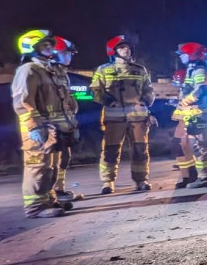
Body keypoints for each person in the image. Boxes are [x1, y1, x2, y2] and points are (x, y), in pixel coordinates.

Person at [11, 30, 73, 218]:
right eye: (43, 44)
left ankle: (48, 200)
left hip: (51, 128)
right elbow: (23, 102)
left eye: (49, 44)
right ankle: (35, 207)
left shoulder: (48, 69)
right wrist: (34, 126)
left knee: (50, 167)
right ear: (31, 47)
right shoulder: (29, 69)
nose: (49, 47)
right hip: (38, 127)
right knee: (37, 166)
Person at [90, 35, 154, 194]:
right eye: (122, 47)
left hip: (138, 117)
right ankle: (108, 182)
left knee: (140, 149)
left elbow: (148, 89)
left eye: (128, 47)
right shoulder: (103, 70)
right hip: (114, 118)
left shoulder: (140, 70)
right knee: (110, 150)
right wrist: (106, 100)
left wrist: (147, 100)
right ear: (113, 51)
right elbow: (94, 90)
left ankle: (141, 180)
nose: (126, 50)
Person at [173, 41, 207, 188]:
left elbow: (200, 90)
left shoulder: (199, 70)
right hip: (191, 114)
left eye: (183, 54)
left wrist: (186, 101)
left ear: (190, 55)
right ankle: (193, 176)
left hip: (197, 114)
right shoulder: (192, 69)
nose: (181, 57)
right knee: (191, 145)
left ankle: (206, 177)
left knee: (200, 146)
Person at [49, 37, 83, 202]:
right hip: (53, 123)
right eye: (66, 53)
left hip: (64, 122)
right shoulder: (48, 72)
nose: (70, 56)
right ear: (55, 53)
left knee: (64, 157)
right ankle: (51, 193)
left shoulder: (62, 73)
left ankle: (59, 189)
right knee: (53, 160)